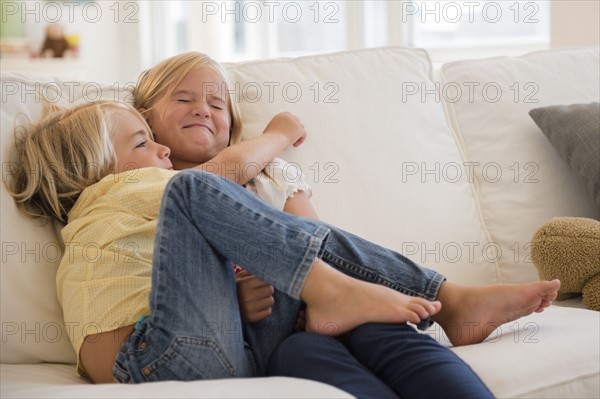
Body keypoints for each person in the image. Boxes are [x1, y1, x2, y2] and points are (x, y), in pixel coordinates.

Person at [5, 100, 560, 398]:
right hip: (152, 362)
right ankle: (409, 293)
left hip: (214, 354)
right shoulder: (112, 196)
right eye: (144, 143)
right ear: (95, 168)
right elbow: (219, 178)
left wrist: (227, 294)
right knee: (197, 187)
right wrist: (278, 132)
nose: (166, 149)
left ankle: (430, 301)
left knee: (322, 317)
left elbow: (172, 286)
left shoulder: (125, 221)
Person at [130, 53, 560, 398]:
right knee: (305, 349)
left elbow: (314, 243)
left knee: (382, 330)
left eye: (217, 103)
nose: (203, 110)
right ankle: (446, 298)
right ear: (145, 121)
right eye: (183, 99)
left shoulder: (268, 176)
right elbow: (175, 268)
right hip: (252, 332)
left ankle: (451, 308)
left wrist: (322, 293)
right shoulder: (144, 187)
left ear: (232, 129)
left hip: (317, 305)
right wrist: (278, 133)